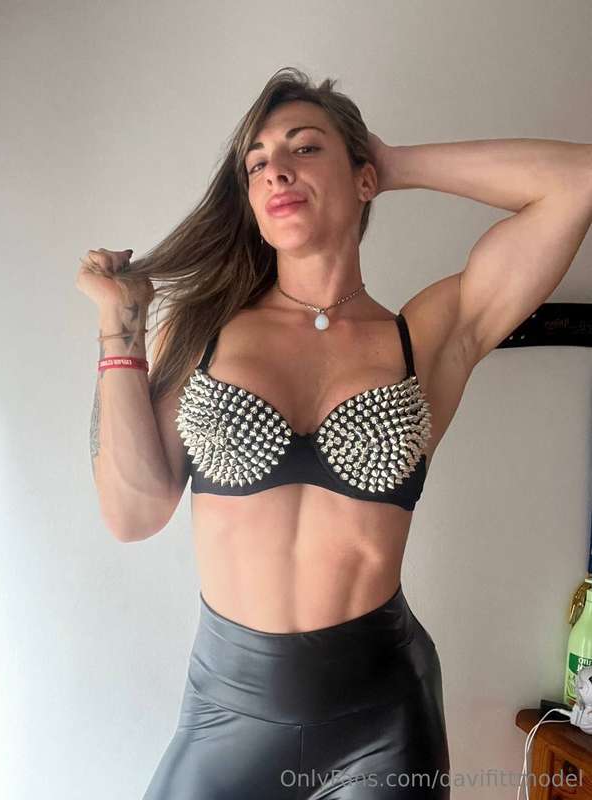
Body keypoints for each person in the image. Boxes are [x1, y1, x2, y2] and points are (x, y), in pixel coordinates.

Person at [76, 66, 592, 799]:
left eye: (305, 147)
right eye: (256, 163)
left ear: (361, 178)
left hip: (385, 719)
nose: (276, 170)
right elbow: (133, 515)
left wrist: (393, 162)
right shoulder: (201, 333)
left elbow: (577, 182)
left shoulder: (425, 336)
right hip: (226, 715)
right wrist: (118, 328)